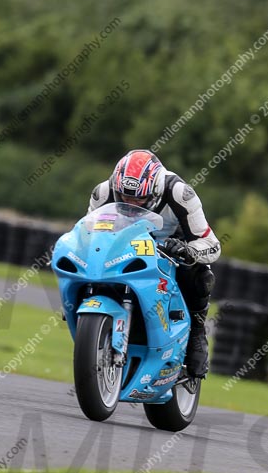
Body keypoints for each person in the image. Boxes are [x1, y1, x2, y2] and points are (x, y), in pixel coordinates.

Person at [88, 149, 221, 379]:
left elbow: (211, 244)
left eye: (138, 198)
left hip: (169, 246)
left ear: (155, 192)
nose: (130, 203)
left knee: (199, 274)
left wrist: (188, 250)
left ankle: (197, 335)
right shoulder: (103, 192)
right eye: (125, 197)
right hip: (123, 245)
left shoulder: (180, 193)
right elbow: (88, 235)